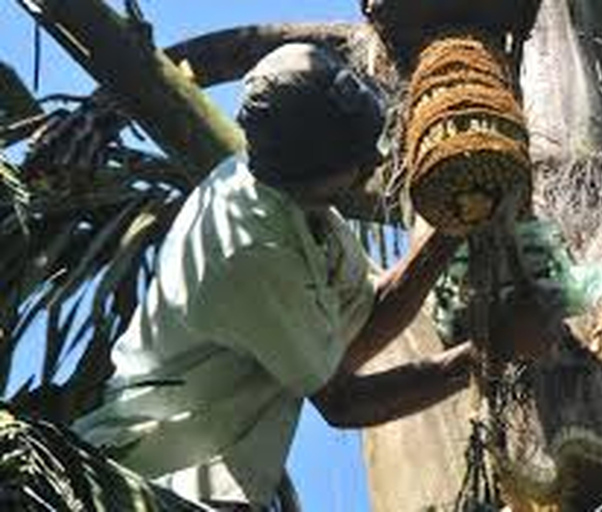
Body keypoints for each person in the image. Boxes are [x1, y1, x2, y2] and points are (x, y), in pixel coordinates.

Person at [73, 42, 475, 508]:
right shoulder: (250, 250)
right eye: (360, 157)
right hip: (151, 486)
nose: (377, 165)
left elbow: (358, 326)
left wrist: (448, 230)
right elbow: (342, 401)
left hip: (230, 476)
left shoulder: (297, 201)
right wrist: (486, 356)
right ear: (315, 167)